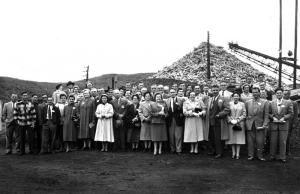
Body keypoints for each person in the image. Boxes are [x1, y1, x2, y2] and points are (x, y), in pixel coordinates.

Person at [268, 88, 293, 163]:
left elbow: (291, 113)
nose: (279, 94)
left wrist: (284, 118)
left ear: (282, 94)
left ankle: (282, 157)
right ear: (275, 94)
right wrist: (273, 117)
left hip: (283, 124)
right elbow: (269, 113)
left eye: (280, 93)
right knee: (273, 141)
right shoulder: (271, 103)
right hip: (274, 124)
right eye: (277, 93)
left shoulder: (288, 102)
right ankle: (272, 156)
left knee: (283, 141)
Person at [245, 87, 269, 161]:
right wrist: (247, 118)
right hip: (250, 124)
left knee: (260, 141)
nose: (255, 94)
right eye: (253, 92)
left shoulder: (265, 102)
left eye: (256, 92)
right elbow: (245, 113)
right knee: (250, 141)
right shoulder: (247, 102)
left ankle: (260, 156)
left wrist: (264, 125)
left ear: (259, 93)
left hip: (260, 125)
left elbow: (266, 115)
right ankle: (251, 155)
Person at [208, 85, 230, 158]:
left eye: (216, 90)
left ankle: (219, 153)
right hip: (211, 120)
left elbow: (227, 109)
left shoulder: (223, 98)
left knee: (218, 138)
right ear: (211, 90)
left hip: (219, 121)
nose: (214, 91)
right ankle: (213, 151)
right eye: (213, 90)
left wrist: (219, 115)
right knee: (212, 137)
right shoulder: (211, 99)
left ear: (219, 90)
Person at [226, 93, 246, 159]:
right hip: (231, 123)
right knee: (232, 139)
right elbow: (227, 113)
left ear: (239, 97)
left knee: (238, 139)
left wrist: (238, 120)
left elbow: (244, 114)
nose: (236, 97)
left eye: (237, 96)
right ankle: (233, 153)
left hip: (239, 123)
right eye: (234, 96)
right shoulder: (229, 104)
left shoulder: (242, 104)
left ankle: (237, 154)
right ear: (232, 97)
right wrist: (230, 120)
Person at [166, 89, 185, 154]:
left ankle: (178, 149)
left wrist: (181, 114)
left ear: (176, 93)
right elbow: (166, 110)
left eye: (174, 92)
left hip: (178, 119)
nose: (172, 93)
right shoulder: (167, 100)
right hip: (170, 119)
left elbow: (183, 108)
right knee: (171, 135)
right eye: (171, 92)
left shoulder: (181, 100)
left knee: (178, 135)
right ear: (169, 93)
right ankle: (172, 149)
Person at [283, 89, 298, 155]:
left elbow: (296, 115)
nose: (285, 95)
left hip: (290, 122)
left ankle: (287, 150)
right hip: (281, 121)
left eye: (286, 94)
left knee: (288, 136)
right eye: (284, 94)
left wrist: (294, 123)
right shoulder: (280, 101)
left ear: (289, 95)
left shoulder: (294, 103)